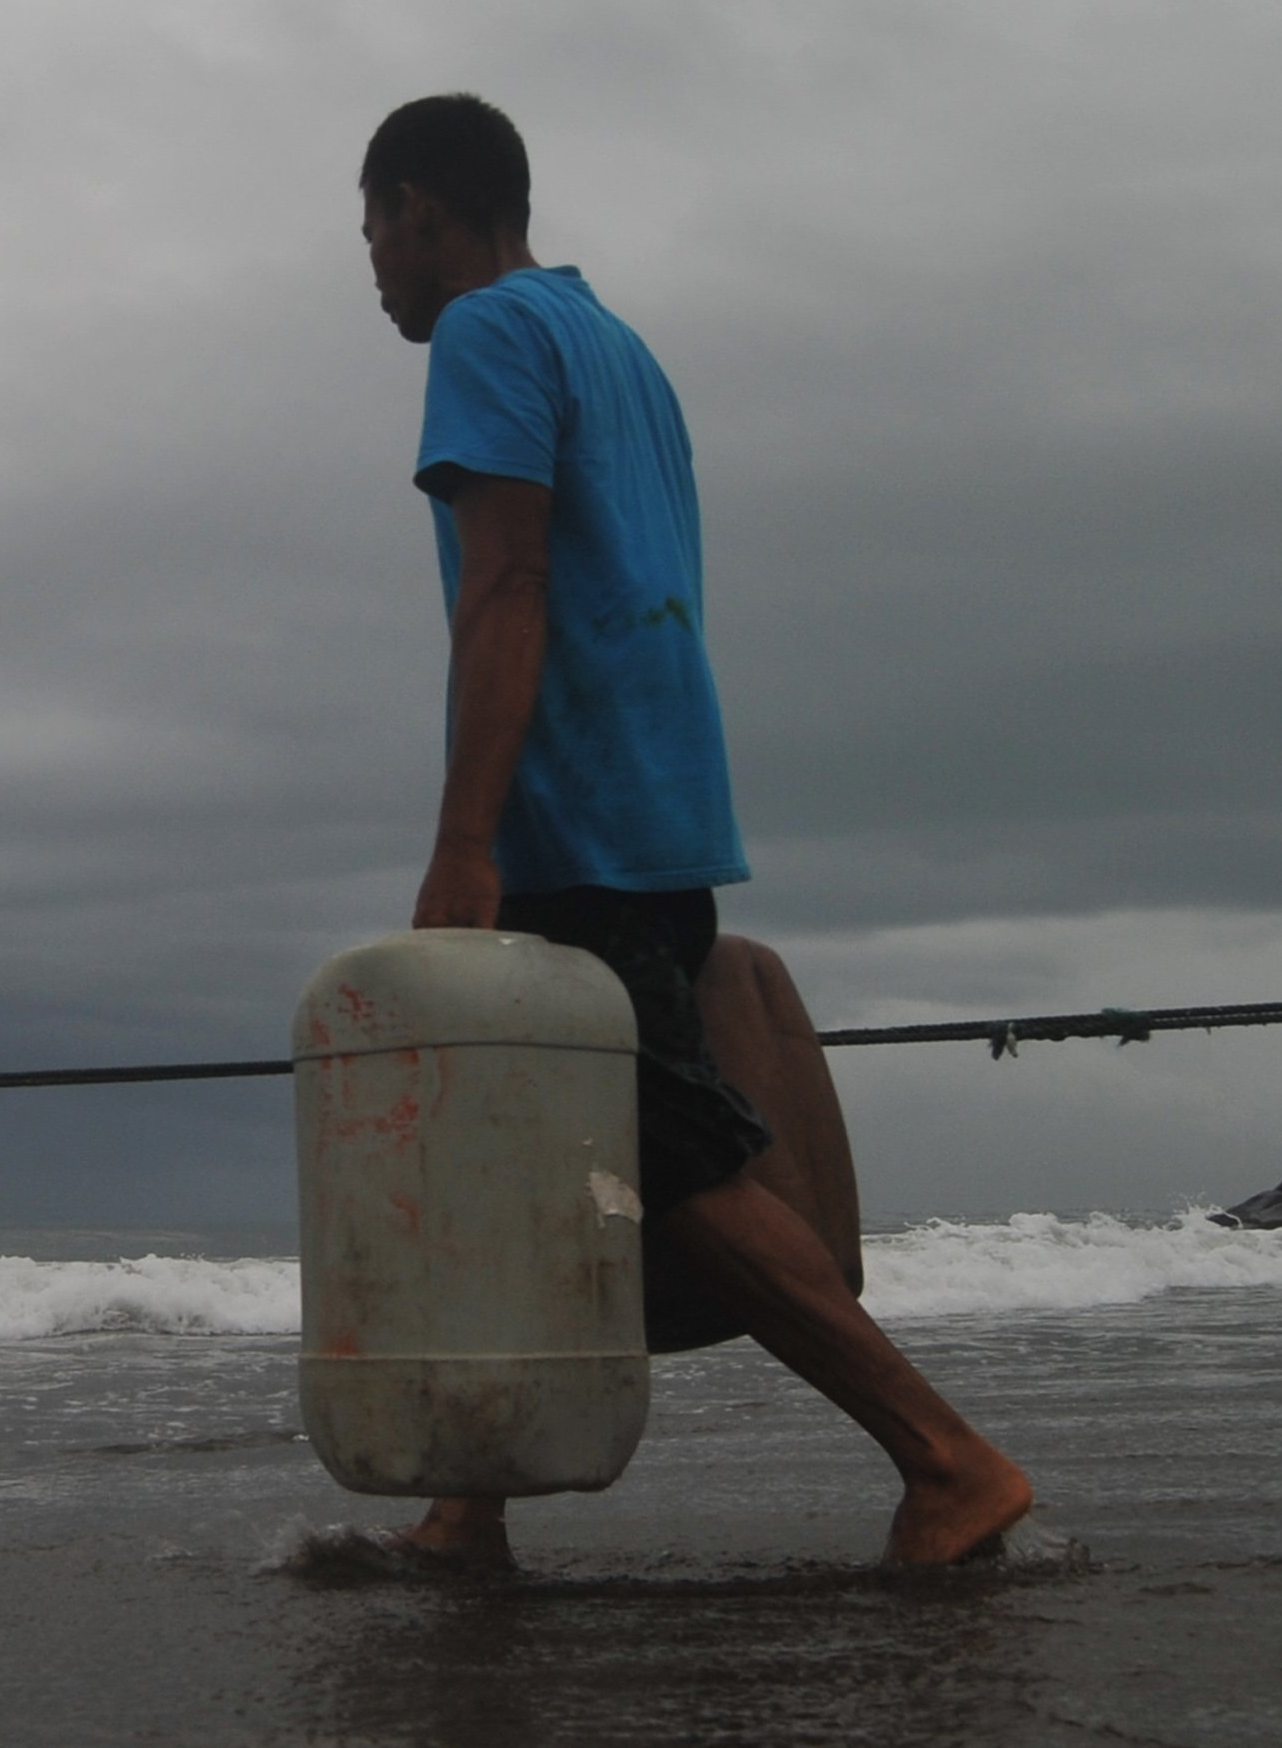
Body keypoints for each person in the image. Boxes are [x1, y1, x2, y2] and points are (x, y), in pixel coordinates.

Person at [355, 92, 1033, 1571]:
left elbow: (509, 582)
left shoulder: (485, 332)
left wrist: (468, 837)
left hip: (577, 807)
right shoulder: (619, 344)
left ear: (422, 205)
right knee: (532, 1151)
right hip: (656, 788)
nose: (373, 270)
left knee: (662, 1152)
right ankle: (469, 1507)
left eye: (372, 232)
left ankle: (948, 1458)